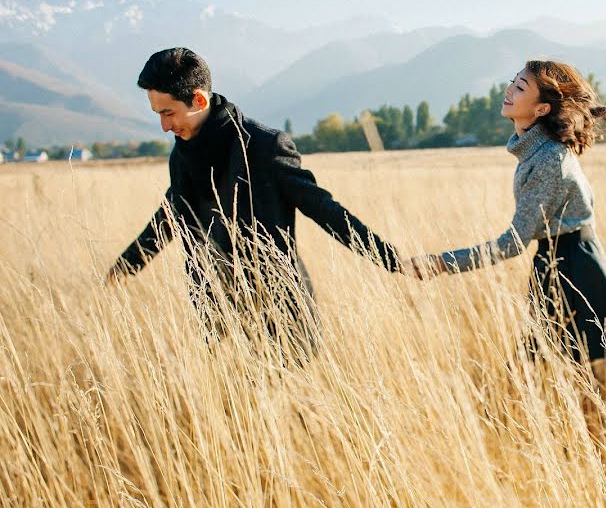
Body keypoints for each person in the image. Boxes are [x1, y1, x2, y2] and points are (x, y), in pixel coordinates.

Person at [406, 59, 606, 418]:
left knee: (603, 372)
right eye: (512, 82)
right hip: (562, 262)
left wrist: (440, 264)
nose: (509, 90)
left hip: (574, 268)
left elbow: (511, 244)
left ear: (542, 108)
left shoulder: (547, 160)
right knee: (575, 367)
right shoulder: (536, 151)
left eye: (520, 88)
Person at [107, 48, 403, 353]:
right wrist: (123, 269)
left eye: (168, 113)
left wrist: (392, 261)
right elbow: (169, 216)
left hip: (279, 318)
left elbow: (322, 208)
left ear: (199, 100)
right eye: (158, 115)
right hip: (218, 323)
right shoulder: (181, 155)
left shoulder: (264, 146)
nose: (164, 127)